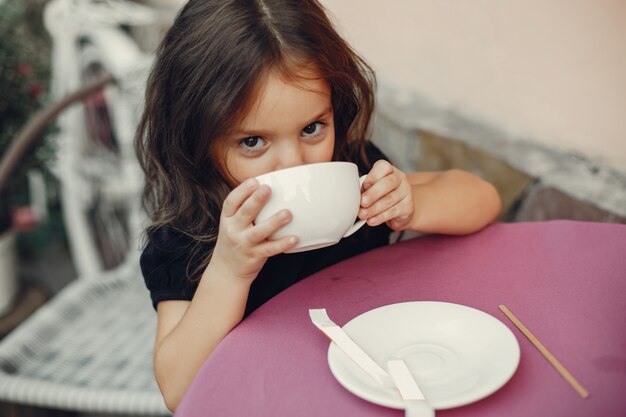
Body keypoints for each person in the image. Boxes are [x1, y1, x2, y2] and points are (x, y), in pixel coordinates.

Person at [135, 0, 502, 411]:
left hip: (380, 389)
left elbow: (483, 198)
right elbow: (177, 390)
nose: (294, 163)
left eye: (312, 128)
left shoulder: (351, 173)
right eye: (252, 141)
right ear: (198, 139)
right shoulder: (189, 237)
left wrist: (412, 204)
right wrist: (229, 269)